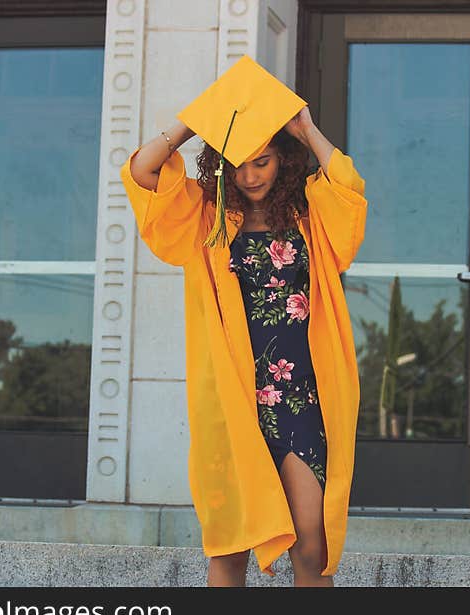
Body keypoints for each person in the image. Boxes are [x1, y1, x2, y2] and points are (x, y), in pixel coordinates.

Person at [120, 56, 366, 587]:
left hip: (301, 391)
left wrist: (304, 127)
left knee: (312, 541)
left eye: (263, 161)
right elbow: (143, 172)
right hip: (233, 395)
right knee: (229, 545)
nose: (250, 176)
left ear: (284, 162)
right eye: (238, 164)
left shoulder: (310, 217)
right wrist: (193, 120)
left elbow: (348, 189)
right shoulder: (206, 221)